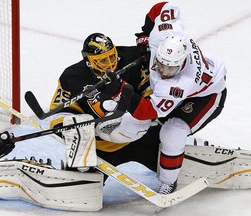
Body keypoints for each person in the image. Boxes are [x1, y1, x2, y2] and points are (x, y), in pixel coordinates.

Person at [101, 1, 227, 195]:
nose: (164, 71)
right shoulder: (165, 34)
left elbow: (146, 111)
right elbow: (162, 7)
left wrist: (120, 90)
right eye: (161, 64)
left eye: (171, 68)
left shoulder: (179, 84)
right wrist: (145, 35)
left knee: (172, 132)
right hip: (192, 85)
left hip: (208, 95)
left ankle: (169, 182)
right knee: (140, 118)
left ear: (182, 63)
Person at [49, 32, 161, 175]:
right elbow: (60, 111)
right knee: (84, 186)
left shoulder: (132, 58)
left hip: (142, 137)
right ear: (90, 61)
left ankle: (173, 150)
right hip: (101, 146)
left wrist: (152, 51)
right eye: (103, 61)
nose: (110, 64)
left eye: (112, 56)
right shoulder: (72, 77)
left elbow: (154, 92)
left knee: (169, 153)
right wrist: (65, 127)